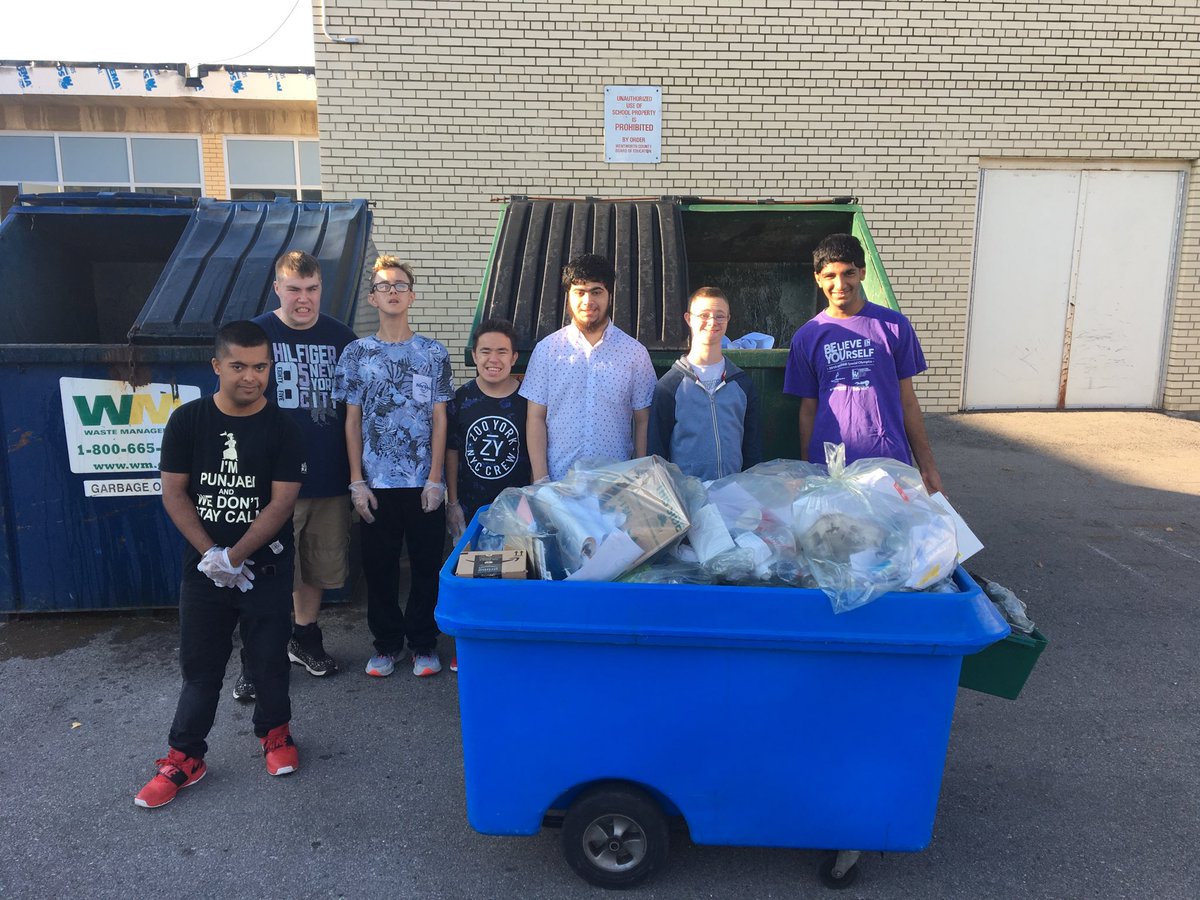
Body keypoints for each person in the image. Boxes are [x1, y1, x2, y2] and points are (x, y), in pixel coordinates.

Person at [135, 320, 305, 809]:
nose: (250, 376)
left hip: (266, 570)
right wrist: (213, 556)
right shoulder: (188, 422)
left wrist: (236, 556)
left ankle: (275, 734)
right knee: (200, 667)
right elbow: (173, 492)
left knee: (270, 659)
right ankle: (184, 757)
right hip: (203, 571)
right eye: (238, 366)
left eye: (260, 366)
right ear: (216, 366)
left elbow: (280, 505)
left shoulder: (283, 429)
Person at [226, 250, 355, 703]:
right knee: (265, 574)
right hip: (270, 485)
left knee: (316, 566)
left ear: (321, 288)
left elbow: (355, 412)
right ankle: (257, 661)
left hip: (328, 477)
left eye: (312, 289)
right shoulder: (255, 334)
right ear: (277, 288)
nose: (304, 299)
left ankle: (304, 639)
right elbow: (230, 406)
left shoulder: (341, 337)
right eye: (294, 289)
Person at [334, 256, 453, 678]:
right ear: (372, 297)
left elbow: (440, 417)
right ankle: (386, 645)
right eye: (384, 286)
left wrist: (436, 479)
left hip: (422, 482)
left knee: (425, 566)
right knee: (380, 569)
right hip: (375, 484)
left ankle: (423, 643)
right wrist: (356, 482)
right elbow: (351, 421)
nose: (393, 291)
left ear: (412, 295)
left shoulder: (433, 354)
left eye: (401, 285)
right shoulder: (357, 354)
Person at [783, 233, 943, 493]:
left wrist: (927, 466)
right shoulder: (807, 336)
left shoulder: (894, 326)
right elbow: (808, 409)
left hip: (888, 463)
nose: (840, 284)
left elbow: (908, 400)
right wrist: (807, 469)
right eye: (830, 276)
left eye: (848, 273)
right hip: (832, 468)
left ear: (863, 273)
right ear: (817, 279)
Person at [520, 253, 657, 481]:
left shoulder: (635, 353)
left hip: (615, 487)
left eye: (596, 292)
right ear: (568, 297)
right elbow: (535, 418)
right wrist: (540, 480)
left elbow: (643, 420)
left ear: (610, 296)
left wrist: (641, 477)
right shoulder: (547, 351)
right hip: (558, 484)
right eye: (579, 292)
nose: (587, 301)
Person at [647, 286, 762, 480]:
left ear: (728, 320)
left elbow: (753, 449)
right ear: (688, 319)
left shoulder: (742, 384)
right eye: (704, 315)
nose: (712, 322)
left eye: (719, 316)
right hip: (689, 497)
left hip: (733, 496)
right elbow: (656, 453)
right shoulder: (669, 387)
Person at [445, 318, 531, 540]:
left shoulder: (529, 402)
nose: (493, 359)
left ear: (514, 358)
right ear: (474, 356)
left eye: (502, 352)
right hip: (470, 513)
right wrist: (452, 503)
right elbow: (452, 452)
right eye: (485, 351)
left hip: (518, 515)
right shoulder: (459, 400)